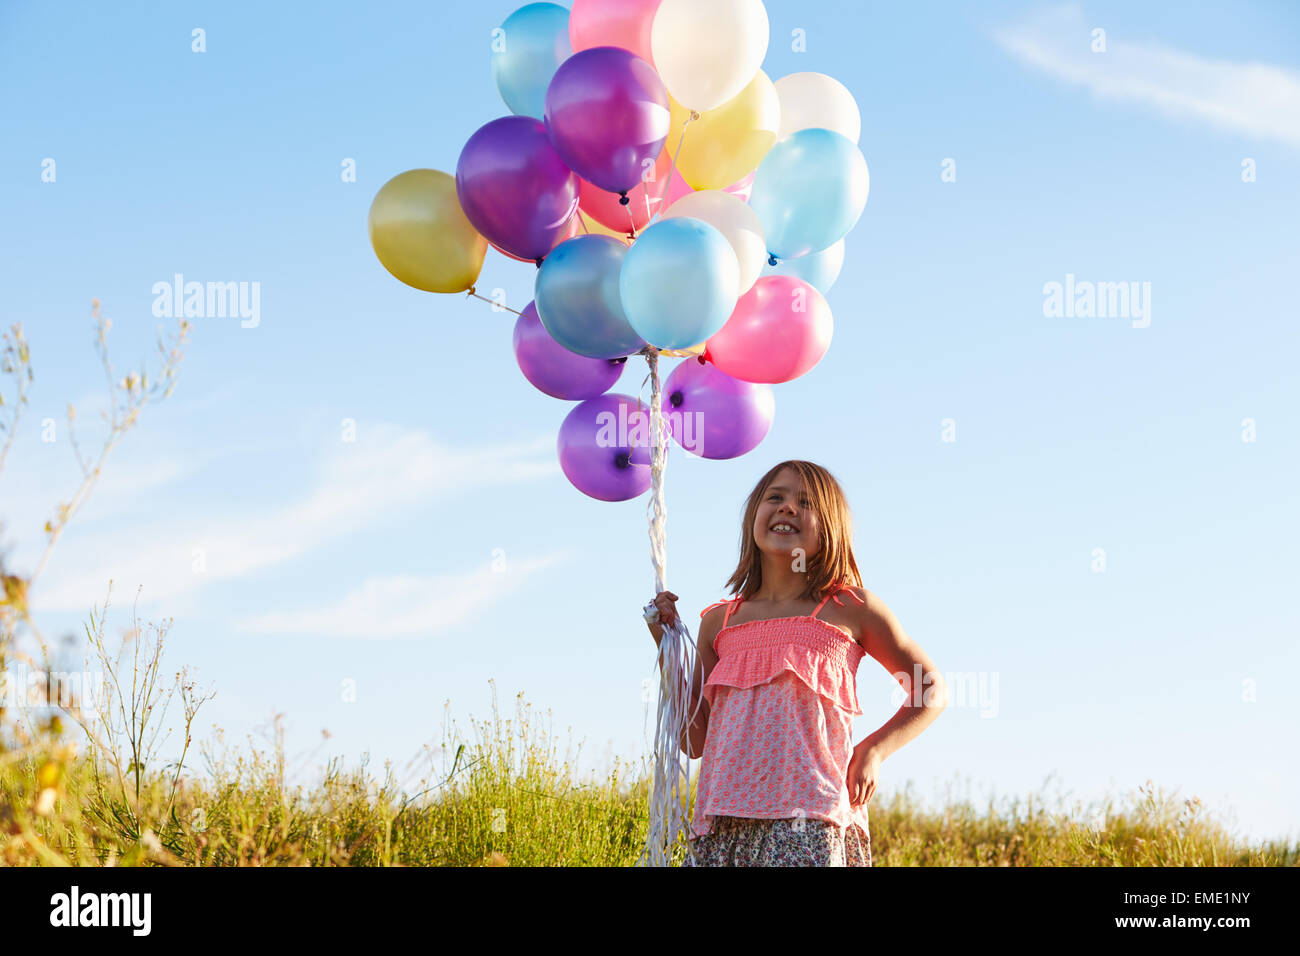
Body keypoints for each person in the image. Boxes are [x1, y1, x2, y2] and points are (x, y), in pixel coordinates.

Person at [646, 460, 946, 866]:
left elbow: (930, 689)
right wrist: (666, 645)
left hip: (810, 820)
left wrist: (874, 750)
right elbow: (693, 740)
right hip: (724, 825)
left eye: (805, 502)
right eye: (775, 497)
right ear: (753, 514)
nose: (787, 507)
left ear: (831, 528)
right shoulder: (720, 622)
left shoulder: (851, 608)